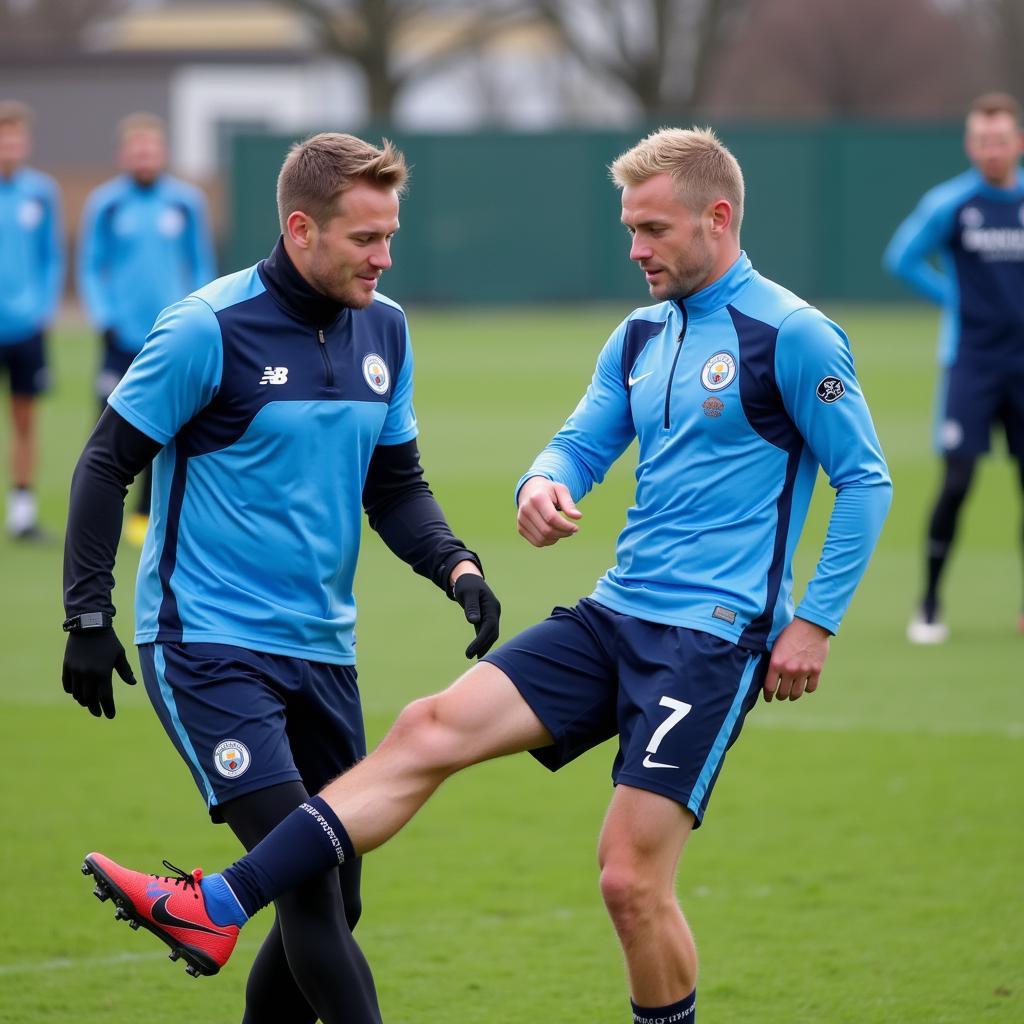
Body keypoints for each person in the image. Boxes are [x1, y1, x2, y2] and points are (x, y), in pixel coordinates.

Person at [82, 127, 892, 1023]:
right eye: (629, 228)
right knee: (428, 726)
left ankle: (214, 905)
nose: (635, 249)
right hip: (614, 615)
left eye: (654, 230)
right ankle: (216, 906)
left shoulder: (797, 336)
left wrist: (815, 621)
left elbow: (865, 479)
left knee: (628, 881)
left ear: (719, 217)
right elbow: (582, 440)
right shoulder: (639, 336)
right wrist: (544, 483)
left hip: (709, 637)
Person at [65, 132, 501, 1024]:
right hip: (207, 644)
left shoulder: (388, 328)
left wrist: (455, 564)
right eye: (364, 240)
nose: (383, 259)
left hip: (323, 650)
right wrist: (86, 614)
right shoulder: (206, 328)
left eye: (389, 238)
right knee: (305, 894)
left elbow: (395, 485)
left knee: (336, 895)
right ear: (301, 230)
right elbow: (106, 462)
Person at [884, 91, 1024, 644]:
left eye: (1002, 139)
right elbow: (900, 257)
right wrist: (951, 298)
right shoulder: (954, 203)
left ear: (1018, 142)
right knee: (959, 480)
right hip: (971, 362)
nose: (993, 149)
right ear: (971, 145)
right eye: (983, 140)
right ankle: (929, 602)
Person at [77, 112, 215, 547]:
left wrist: (200, 314)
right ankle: (100, 513)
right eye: (137, 149)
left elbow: (200, 263)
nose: (145, 156)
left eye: (151, 148)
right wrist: (104, 315)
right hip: (121, 336)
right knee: (109, 425)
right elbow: (91, 264)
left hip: (171, 338)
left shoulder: (186, 202)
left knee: (170, 425)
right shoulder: (106, 203)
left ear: (163, 152)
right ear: (124, 154)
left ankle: (144, 514)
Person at [0, 100, 64, 540]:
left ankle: (21, 512)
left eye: (15, 137)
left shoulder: (41, 192)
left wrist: (41, 305)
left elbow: (50, 256)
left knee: (25, 420)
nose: (9, 145)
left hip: (26, 327)